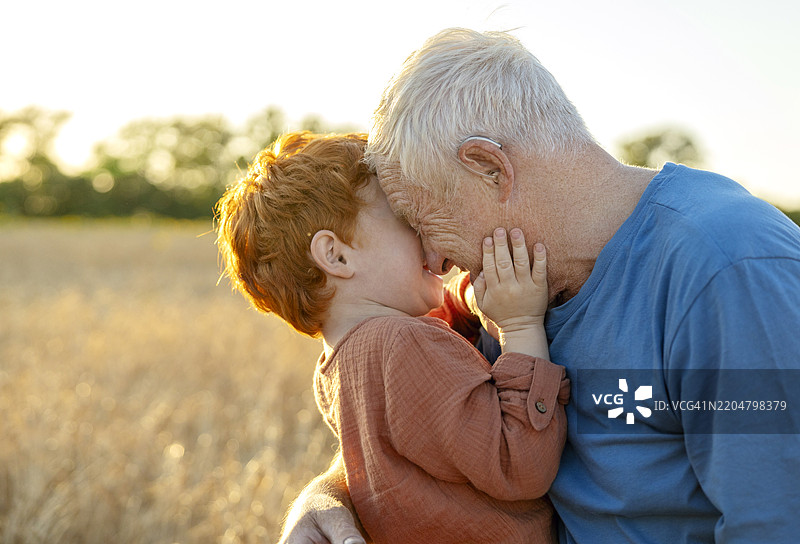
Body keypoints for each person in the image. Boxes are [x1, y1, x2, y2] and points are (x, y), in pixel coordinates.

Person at [279, 28, 800, 544]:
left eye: (422, 219)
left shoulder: (727, 269)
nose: (434, 258)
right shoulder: (496, 291)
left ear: (490, 169)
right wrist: (327, 496)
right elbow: (407, 418)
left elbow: (774, 522)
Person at [215, 131, 570, 543]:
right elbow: (520, 464)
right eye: (407, 219)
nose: (431, 239)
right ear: (336, 255)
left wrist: (467, 295)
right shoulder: (402, 344)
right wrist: (522, 325)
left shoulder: (336, 368)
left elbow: (442, 326)